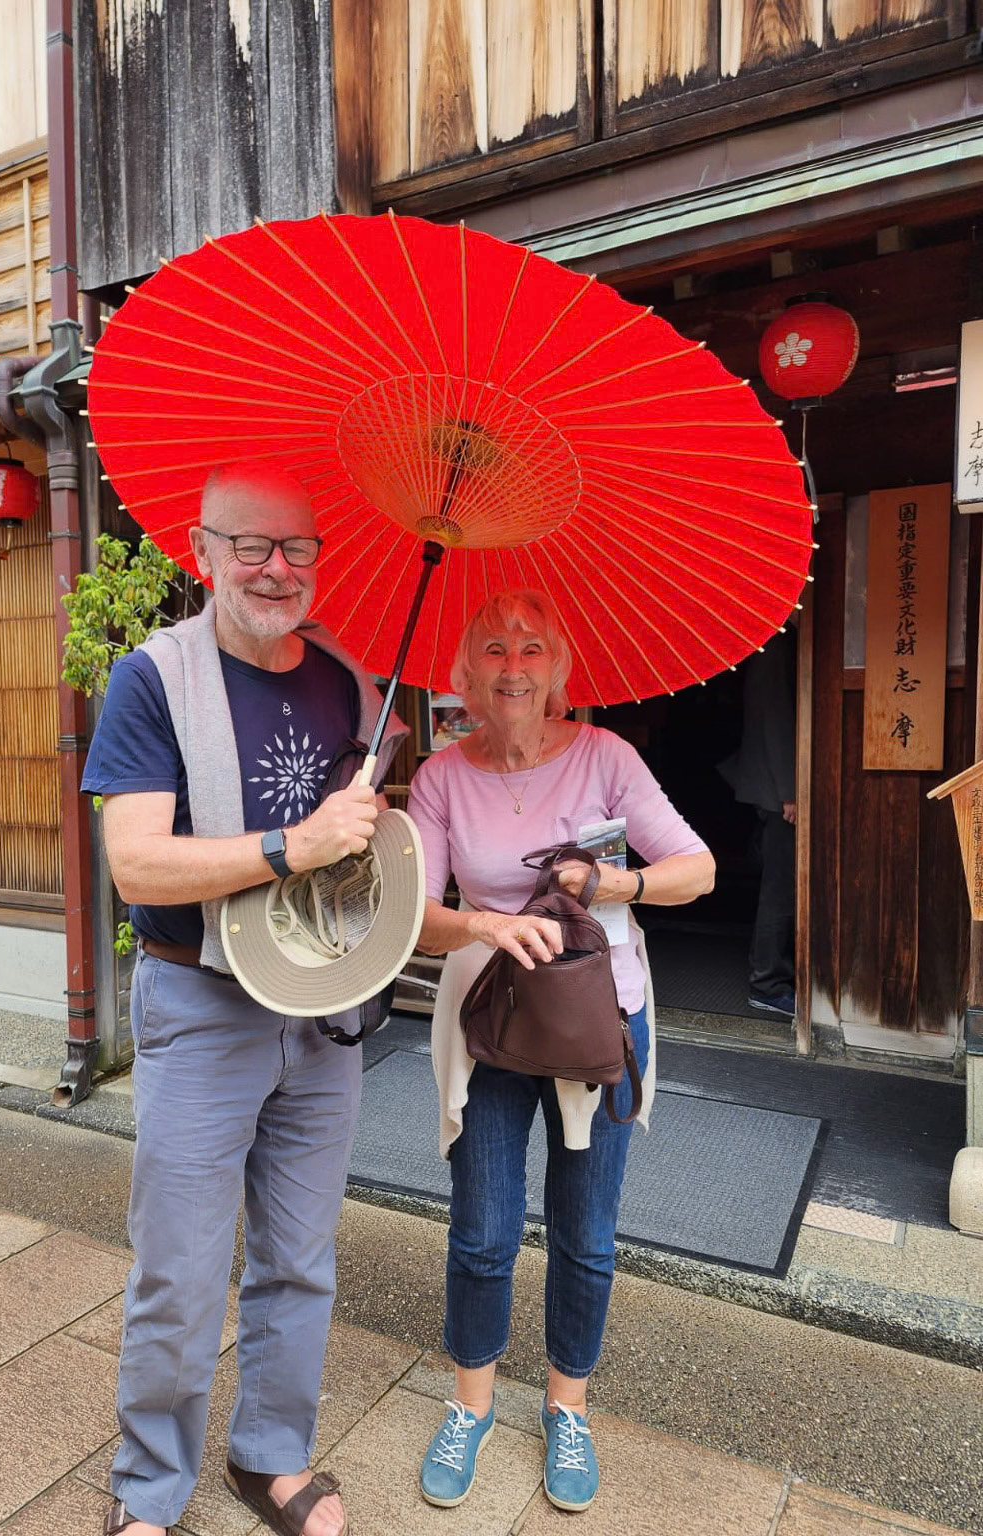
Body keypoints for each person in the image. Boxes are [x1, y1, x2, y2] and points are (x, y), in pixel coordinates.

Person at [81, 463, 406, 1536]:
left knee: (301, 1257)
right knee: (178, 1268)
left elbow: (360, 854)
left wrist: (374, 811)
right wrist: (294, 843)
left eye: (298, 548)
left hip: (321, 1011)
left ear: (320, 558)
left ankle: (269, 1457)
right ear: (201, 550)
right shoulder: (152, 679)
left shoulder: (351, 685)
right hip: (200, 1004)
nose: (275, 568)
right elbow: (136, 866)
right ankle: (149, 1491)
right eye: (250, 545)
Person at [406, 589, 715, 1515]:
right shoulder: (438, 776)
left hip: (597, 1023)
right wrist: (484, 923)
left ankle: (567, 1409)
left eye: (532, 648)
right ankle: (471, 1407)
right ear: (462, 674)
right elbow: (415, 919)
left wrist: (612, 879)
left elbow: (694, 871)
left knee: (585, 1235)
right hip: (491, 1022)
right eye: (492, 647)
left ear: (559, 669)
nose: (512, 666)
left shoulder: (607, 758)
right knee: (484, 1231)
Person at [718, 621, 797, 1016]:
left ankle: (772, 976)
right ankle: (767, 982)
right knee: (780, 887)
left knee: (781, 883)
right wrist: (790, 790)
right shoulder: (778, 645)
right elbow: (775, 721)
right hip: (777, 788)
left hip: (772, 783)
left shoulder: (776, 642)